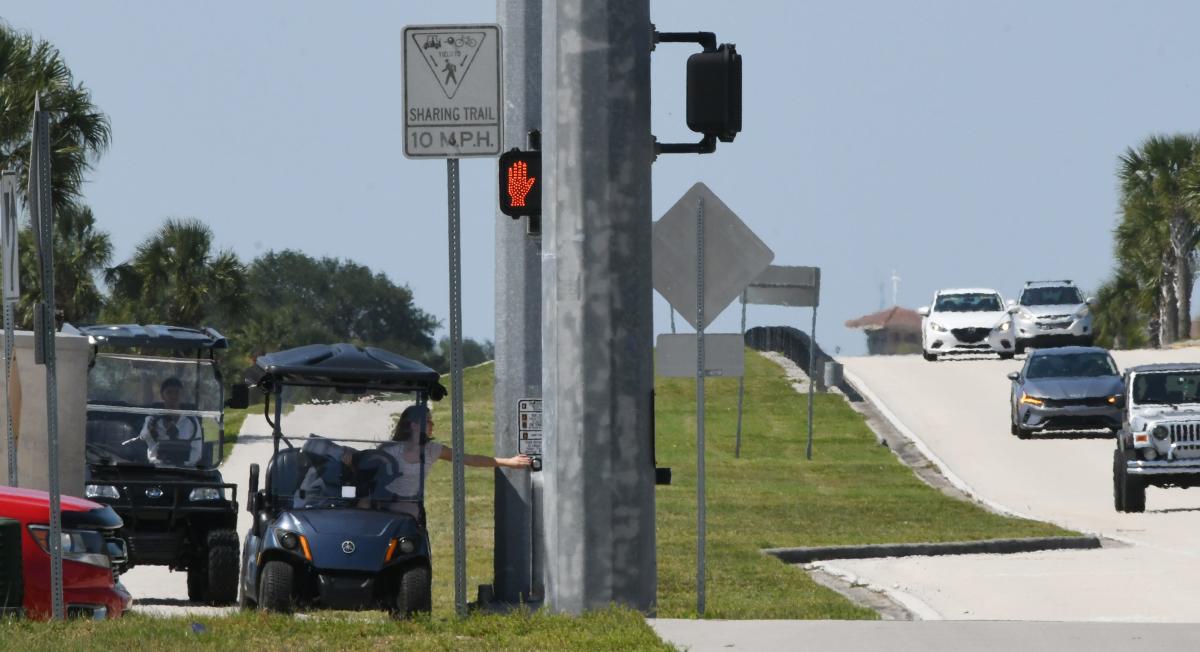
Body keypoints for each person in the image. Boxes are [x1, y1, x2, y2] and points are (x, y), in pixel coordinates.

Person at [375, 404, 531, 518]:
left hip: (411, 508)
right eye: (428, 421)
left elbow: (471, 459)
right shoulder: (389, 450)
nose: (432, 425)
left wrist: (509, 462)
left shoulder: (432, 450)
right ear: (414, 425)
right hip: (383, 504)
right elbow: (369, 474)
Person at [136, 377, 203, 466]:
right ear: (162, 395)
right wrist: (150, 429)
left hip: (185, 470)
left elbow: (197, 450)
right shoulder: (151, 419)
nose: (173, 396)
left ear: (182, 395)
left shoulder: (191, 422)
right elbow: (143, 437)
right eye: (169, 392)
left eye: (177, 392)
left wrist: (181, 463)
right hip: (158, 468)